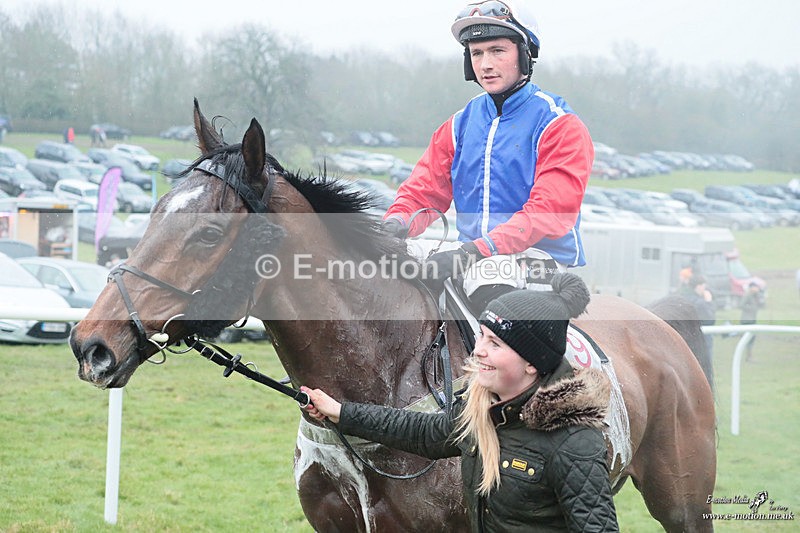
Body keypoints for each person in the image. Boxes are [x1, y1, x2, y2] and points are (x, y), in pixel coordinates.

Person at [302, 273, 619, 532]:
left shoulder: (574, 442)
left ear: (532, 363)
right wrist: (342, 413)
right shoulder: (482, 411)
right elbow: (422, 432)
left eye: (494, 343)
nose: (478, 350)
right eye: (481, 336)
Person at [381, 1, 593, 311]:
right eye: (476, 53)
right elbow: (422, 193)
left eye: (497, 51)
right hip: (472, 255)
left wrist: (473, 252)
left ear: (524, 54)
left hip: (539, 260)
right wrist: (394, 224)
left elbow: (546, 212)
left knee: (487, 278)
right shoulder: (458, 125)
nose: (485, 64)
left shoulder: (559, 125)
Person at [687, 274, 716, 357]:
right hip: (703, 336)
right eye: (704, 286)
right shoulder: (701, 303)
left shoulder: (688, 297)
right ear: (698, 286)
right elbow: (710, 319)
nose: (705, 288)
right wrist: (708, 302)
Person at [739, 282, 762, 360]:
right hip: (746, 320)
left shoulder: (755, 295)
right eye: (756, 287)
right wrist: (750, 308)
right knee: (746, 338)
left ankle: (749, 356)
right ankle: (747, 355)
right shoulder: (747, 295)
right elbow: (741, 305)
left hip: (752, 319)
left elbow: (760, 304)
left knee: (752, 338)